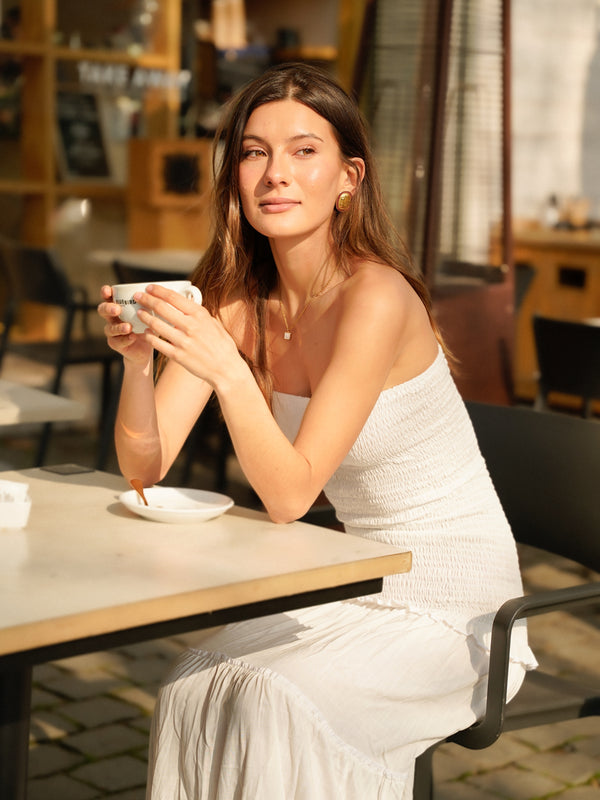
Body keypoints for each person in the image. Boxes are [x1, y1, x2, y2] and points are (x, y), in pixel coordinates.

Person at [98, 62, 536, 800]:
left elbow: (291, 496)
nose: (276, 172)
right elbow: (145, 470)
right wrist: (140, 366)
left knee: (274, 698)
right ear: (235, 175)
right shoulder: (239, 302)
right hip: (353, 581)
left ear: (348, 177)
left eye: (304, 150)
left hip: (461, 609)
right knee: (190, 684)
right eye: (254, 151)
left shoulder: (377, 296)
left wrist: (231, 374)